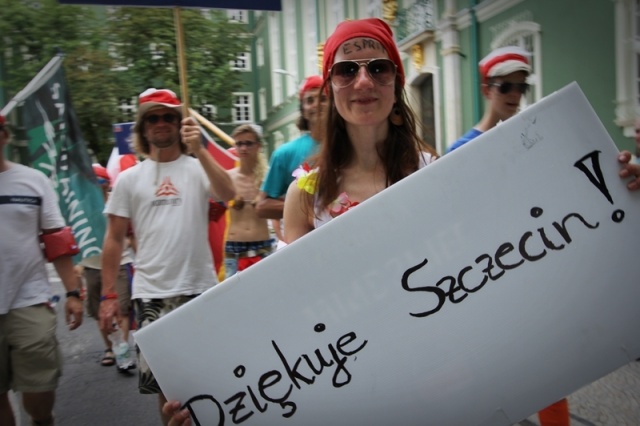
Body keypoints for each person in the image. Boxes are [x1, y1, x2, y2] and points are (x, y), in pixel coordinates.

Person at [99, 88, 235, 425]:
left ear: (179, 123)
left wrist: (200, 150)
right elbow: (114, 239)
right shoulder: (129, 179)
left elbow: (229, 193)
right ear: (143, 128)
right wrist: (109, 295)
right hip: (151, 294)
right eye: (153, 118)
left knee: (209, 376)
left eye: (169, 117)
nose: (161, 123)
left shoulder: (197, 167)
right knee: (167, 388)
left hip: (198, 290)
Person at [283, 17, 438, 242]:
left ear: (396, 87)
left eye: (378, 68)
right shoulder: (304, 196)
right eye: (347, 70)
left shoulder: (433, 173)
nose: (364, 81)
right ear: (330, 90)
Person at [0, 114, 84, 426]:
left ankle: (42, 419)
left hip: (29, 300)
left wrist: (73, 293)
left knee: (40, 389)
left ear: (5, 135)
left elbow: (57, 241)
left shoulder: (32, 181)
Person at [78, 163, 136, 371]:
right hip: (92, 266)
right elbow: (76, 237)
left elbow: (129, 234)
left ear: (106, 183)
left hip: (120, 263)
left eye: (100, 181)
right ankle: (110, 348)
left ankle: (122, 349)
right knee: (100, 312)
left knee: (122, 310)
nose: (96, 185)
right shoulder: (81, 208)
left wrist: (124, 245)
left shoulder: (117, 203)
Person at [255, 75, 326, 234]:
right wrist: (305, 207)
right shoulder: (284, 153)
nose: (317, 105)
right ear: (303, 111)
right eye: (310, 100)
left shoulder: (350, 146)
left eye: (323, 98)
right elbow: (261, 206)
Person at [224, 124, 274, 278]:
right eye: (239, 143)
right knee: (232, 298)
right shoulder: (228, 177)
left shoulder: (267, 176)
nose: (244, 148)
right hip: (234, 246)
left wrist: (264, 202)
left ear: (258, 146)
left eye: (248, 143)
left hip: (262, 244)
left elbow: (283, 206)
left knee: (267, 294)